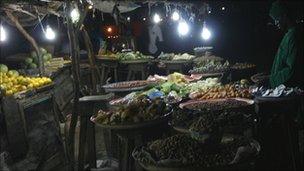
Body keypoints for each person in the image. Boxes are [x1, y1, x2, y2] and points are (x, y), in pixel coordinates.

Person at [267, 1, 304, 88]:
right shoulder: (288, 35)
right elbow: (282, 63)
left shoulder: (293, 36)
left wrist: (270, 79)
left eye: (277, 19)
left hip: (290, 91)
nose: (275, 23)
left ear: (285, 16)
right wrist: (269, 75)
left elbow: (292, 69)